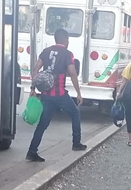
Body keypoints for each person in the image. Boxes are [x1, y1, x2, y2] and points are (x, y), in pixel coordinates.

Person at [27, 29, 86, 162]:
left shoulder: (46, 51)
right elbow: (72, 73)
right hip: (59, 95)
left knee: (43, 124)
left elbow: (36, 69)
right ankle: (76, 143)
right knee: (75, 113)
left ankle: (32, 151)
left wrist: (33, 87)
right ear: (65, 40)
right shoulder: (67, 54)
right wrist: (78, 93)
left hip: (46, 95)